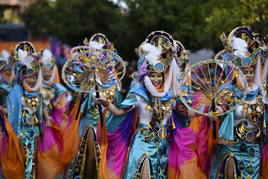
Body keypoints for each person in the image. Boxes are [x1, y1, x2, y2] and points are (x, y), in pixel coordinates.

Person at [97, 31, 206, 179]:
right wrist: (107, 104)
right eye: (152, 75)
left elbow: (186, 112)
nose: (155, 79)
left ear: (164, 75)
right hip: (143, 142)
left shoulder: (170, 95)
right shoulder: (138, 94)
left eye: (158, 76)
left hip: (163, 144)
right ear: (146, 76)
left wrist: (203, 110)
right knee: (144, 172)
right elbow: (118, 112)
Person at [210, 27, 268, 179]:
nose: (248, 75)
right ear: (237, 72)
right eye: (244, 72)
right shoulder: (229, 91)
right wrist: (217, 108)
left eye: (250, 72)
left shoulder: (262, 93)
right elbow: (217, 111)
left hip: (254, 148)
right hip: (232, 146)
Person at [65, 33, 125, 179]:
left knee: (101, 160)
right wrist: (89, 97)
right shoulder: (86, 79)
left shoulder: (114, 82)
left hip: (106, 126)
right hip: (87, 125)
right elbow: (75, 105)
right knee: (85, 157)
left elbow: (118, 106)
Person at [0, 42, 43, 179]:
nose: (31, 80)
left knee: (32, 162)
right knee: (21, 161)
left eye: (34, 77)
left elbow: (40, 114)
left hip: (34, 133)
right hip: (19, 133)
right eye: (28, 77)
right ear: (21, 77)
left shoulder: (39, 94)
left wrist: (41, 131)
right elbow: (11, 112)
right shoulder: (15, 93)